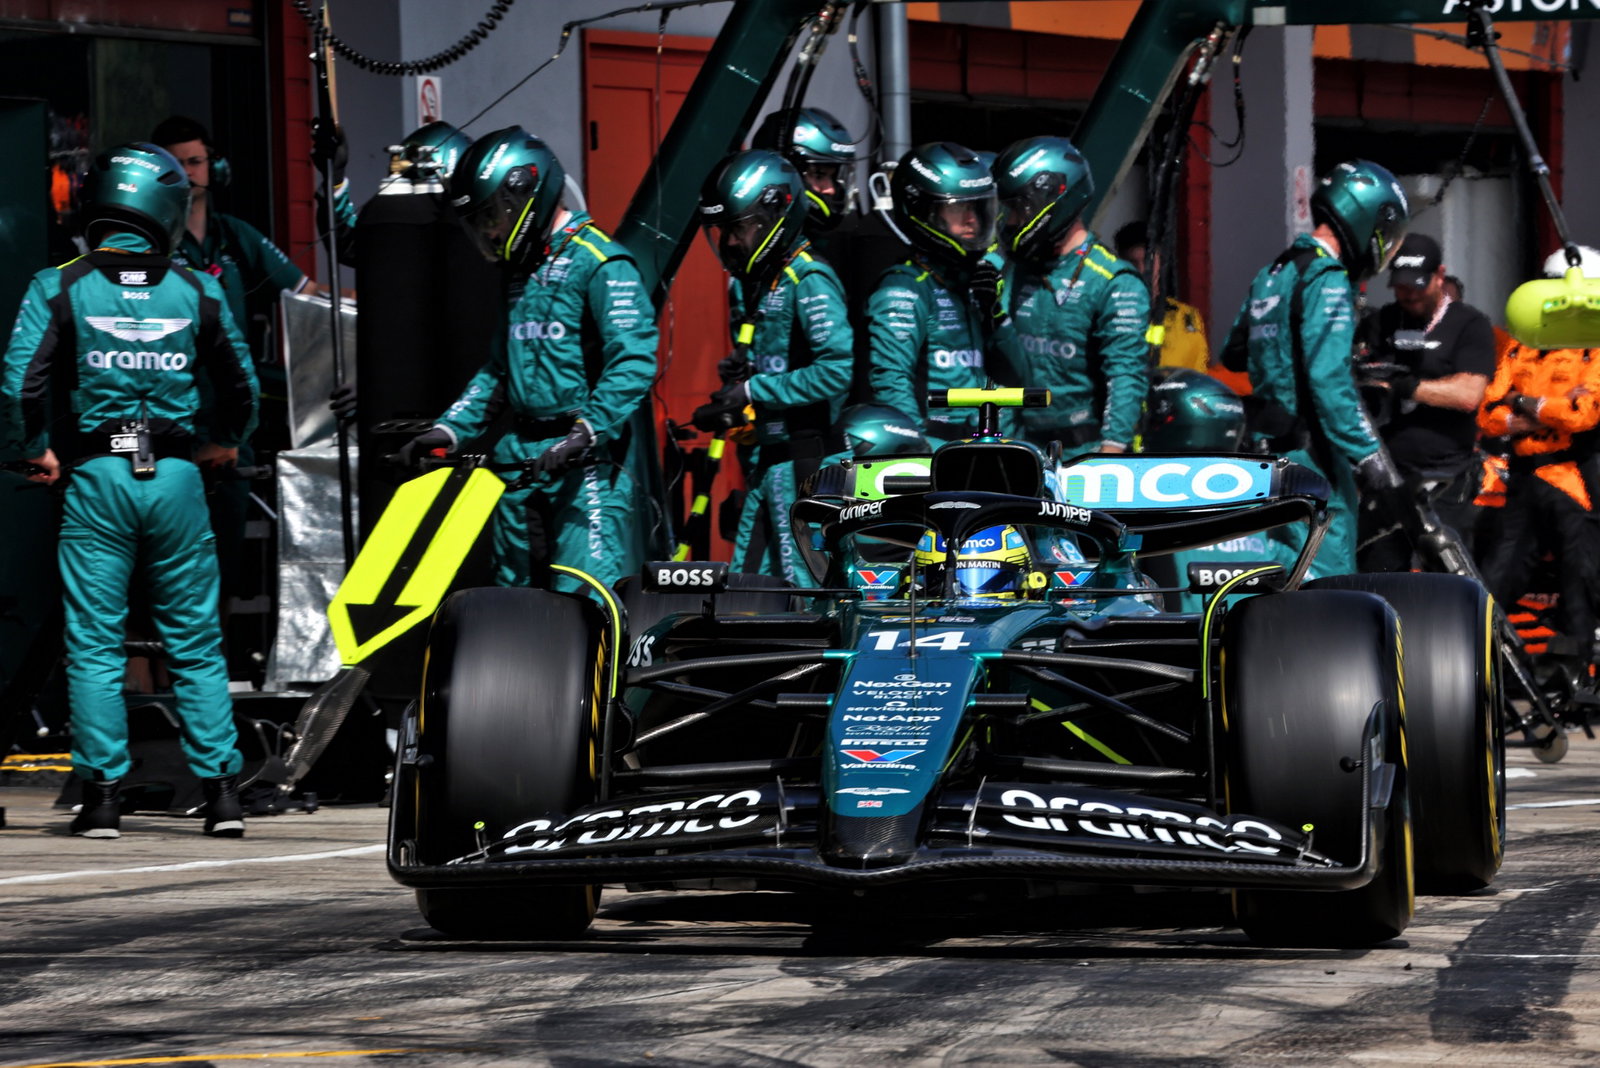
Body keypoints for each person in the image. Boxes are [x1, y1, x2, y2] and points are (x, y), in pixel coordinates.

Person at [0, 143, 259, 838]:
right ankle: (223, 795)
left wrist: (34, 452)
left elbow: (19, 382)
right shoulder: (198, 287)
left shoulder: (60, 284)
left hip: (96, 476)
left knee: (93, 642)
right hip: (176, 478)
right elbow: (243, 386)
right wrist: (222, 442)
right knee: (196, 642)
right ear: (167, 209)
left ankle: (104, 799)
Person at [399, 127, 657, 597]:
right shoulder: (520, 272)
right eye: (479, 222)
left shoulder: (601, 261)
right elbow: (500, 369)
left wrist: (586, 431)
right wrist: (448, 429)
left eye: (493, 216)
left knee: (584, 603)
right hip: (518, 463)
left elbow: (634, 360)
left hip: (587, 466)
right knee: (513, 604)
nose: (490, 231)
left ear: (526, 195)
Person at [1220, 159, 1411, 578]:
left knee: (1283, 572)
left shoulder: (1273, 272)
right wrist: (1374, 462)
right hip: (1312, 458)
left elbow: (1234, 351)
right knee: (1329, 582)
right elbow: (1328, 383)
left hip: (1263, 453)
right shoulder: (1327, 277)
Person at [692, 149, 853, 579]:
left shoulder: (809, 278)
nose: (729, 243)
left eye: (739, 230)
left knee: (808, 592)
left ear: (772, 218)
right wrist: (738, 389)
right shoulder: (758, 284)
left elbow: (836, 371)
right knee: (749, 585)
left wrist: (753, 390)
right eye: (722, 232)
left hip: (809, 466)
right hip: (768, 462)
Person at [1476, 248, 1600, 674]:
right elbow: (1488, 416)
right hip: (1524, 477)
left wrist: (1524, 403)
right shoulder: (1520, 346)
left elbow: (1583, 416)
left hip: (1572, 477)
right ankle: (1480, 668)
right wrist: (1544, 410)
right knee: (1499, 575)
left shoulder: (1594, 348)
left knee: (1579, 579)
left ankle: (1579, 675)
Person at [993, 136, 1148, 454]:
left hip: (1085, 454)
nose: (1010, 222)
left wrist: (1111, 452)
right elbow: (999, 367)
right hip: (1018, 449)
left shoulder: (1113, 281)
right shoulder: (1013, 270)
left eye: (1019, 210)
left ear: (1055, 197)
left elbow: (1125, 374)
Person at [1353, 233, 1495, 571]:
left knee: (1449, 576)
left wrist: (1406, 387)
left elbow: (1468, 394)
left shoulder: (1469, 324)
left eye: (1418, 285)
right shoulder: (1381, 322)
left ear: (1439, 275)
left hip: (1444, 476)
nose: (1410, 294)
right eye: (1401, 286)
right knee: (1380, 572)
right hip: (1386, 475)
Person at [867, 142, 1023, 441]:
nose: (972, 221)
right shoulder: (903, 288)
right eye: (959, 209)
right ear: (923, 211)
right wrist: (916, 450)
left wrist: (996, 315)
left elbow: (1018, 377)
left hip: (991, 445)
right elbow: (891, 382)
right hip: (939, 453)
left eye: (978, 209)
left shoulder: (974, 283)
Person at [1113, 220, 1210, 374]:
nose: (1142, 269)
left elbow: (1199, 375)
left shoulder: (1186, 317)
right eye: (1132, 262)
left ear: (1161, 261)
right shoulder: (1110, 314)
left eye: (1148, 260)